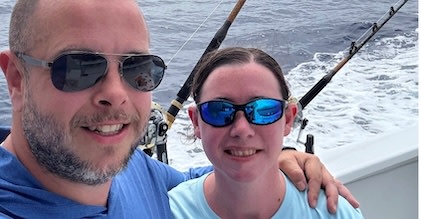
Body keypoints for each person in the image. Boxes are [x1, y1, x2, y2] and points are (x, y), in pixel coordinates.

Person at [0, 0, 358, 218]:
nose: (115, 94)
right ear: (16, 77)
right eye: (79, 68)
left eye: (137, 69)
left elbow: (205, 181)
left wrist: (278, 157)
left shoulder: (131, 171)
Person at [169, 47, 364, 218]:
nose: (242, 130)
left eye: (264, 110)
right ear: (196, 121)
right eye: (219, 110)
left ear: (288, 119)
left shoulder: (334, 212)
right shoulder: (166, 212)